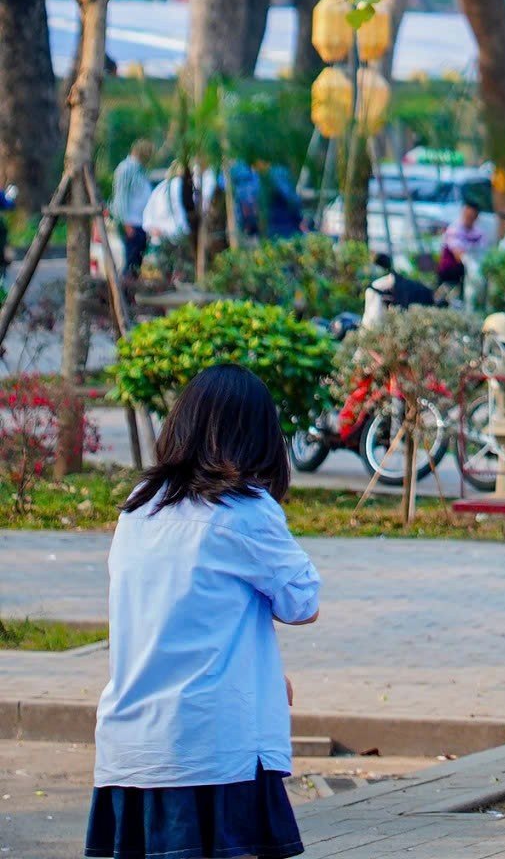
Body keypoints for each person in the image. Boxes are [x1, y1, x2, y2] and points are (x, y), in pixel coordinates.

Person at [89, 364, 321, 859]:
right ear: (260, 436)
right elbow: (303, 601)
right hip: (214, 752)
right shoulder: (245, 510)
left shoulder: (139, 507)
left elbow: (182, 604)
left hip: (133, 746)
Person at [109, 140, 154, 285]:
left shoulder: (140, 170)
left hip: (140, 222)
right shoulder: (126, 169)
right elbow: (120, 197)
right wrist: (125, 223)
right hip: (131, 223)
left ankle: (132, 292)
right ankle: (125, 293)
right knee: (130, 262)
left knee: (136, 262)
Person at [436, 197, 494, 292]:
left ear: (476, 216)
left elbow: (484, 252)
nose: (469, 218)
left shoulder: (479, 233)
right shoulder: (454, 230)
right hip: (453, 271)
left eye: (472, 216)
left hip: (474, 268)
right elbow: (459, 256)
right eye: (467, 215)